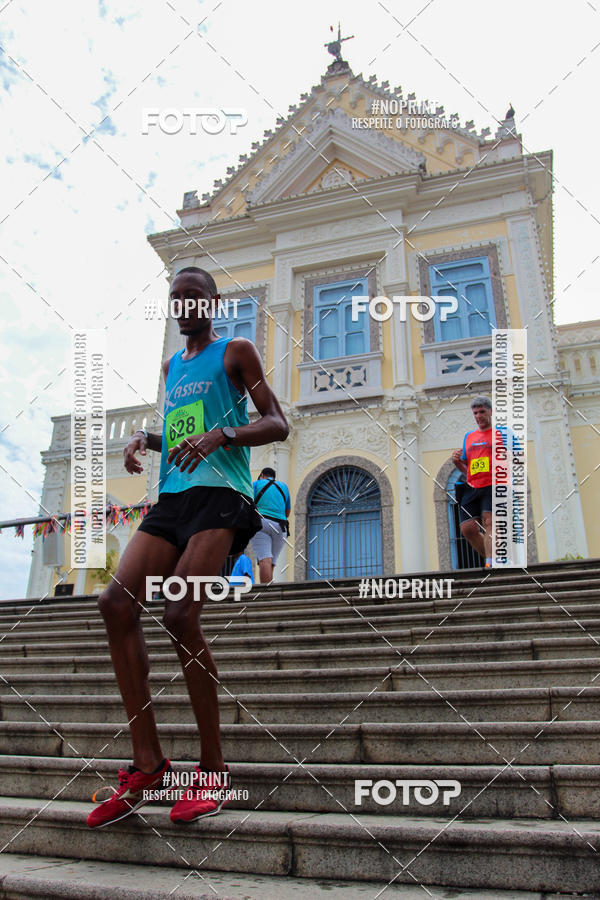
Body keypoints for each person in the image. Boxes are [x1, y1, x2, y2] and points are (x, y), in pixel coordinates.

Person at [87, 267, 288, 828]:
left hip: (221, 498)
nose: (184, 306)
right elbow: (180, 435)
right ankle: (148, 764)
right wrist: (144, 440)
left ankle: (213, 768)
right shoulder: (173, 366)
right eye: (176, 298)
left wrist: (221, 436)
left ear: (214, 303)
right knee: (115, 604)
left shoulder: (236, 352)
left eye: (194, 297)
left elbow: (277, 423)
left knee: (180, 613)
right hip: (173, 501)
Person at [451, 396, 506, 569]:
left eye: (482, 411)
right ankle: (498, 557)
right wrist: (457, 462)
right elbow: (468, 469)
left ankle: (491, 562)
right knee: (467, 528)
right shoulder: (469, 437)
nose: (479, 416)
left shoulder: (501, 433)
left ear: (490, 412)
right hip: (473, 486)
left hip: (494, 484)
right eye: (475, 413)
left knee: (489, 521)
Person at [250, 467, 291, 584]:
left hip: (261, 523)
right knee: (271, 562)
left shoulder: (256, 484)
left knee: (264, 560)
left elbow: (249, 504)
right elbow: (287, 512)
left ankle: (266, 593)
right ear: (274, 477)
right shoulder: (283, 487)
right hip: (281, 526)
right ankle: (270, 589)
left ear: (262, 475)